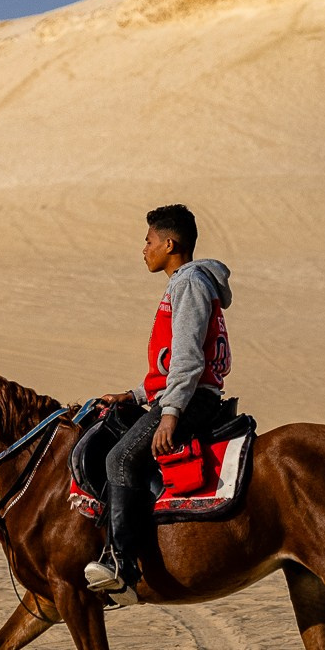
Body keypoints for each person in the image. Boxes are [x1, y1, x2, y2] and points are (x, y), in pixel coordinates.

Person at [82, 204, 233, 595]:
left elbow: (187, 357)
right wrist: (134, 394)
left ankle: (121, 561)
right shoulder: (186, 283)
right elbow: (170, 363)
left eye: (149, 241)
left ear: (170, 244)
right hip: (181, 394)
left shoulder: (189, 282)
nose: (143, 248)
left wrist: (170, 414)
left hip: (191, 399)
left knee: (119, 457)